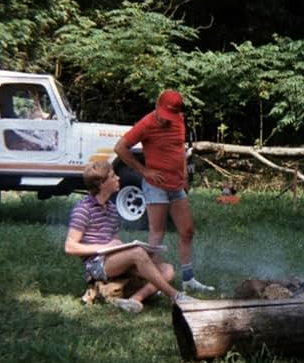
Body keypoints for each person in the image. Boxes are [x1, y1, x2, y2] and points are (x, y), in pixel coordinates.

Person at [114, 90, 215, 293]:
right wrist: (144, 171)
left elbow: (179, 149)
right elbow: (120, 148)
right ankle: (156, 282)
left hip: (177, 185)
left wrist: (185, 174)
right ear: (157, 106)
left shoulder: (179, 119)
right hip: (156, 186)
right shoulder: (147, 123)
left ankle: (188, 279)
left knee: (187, 231)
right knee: (157, 234)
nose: (166, 118)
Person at [64, 160, 195, 313]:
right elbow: (70, 247)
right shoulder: (83, 209)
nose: (118, 178)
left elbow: (116, 240)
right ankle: (175, 296)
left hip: (113, 259)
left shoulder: (112, 208)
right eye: (113, 176)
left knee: (168, 269)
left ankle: (134, 300)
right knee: (137, 252)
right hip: (95, 265)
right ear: (101, 183)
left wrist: (123, 246)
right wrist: (105, 247)